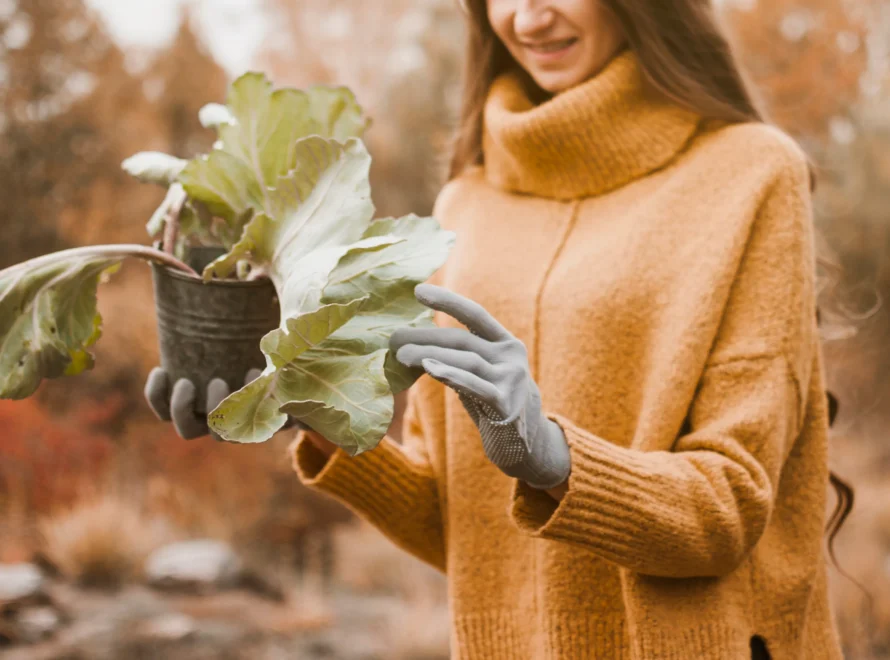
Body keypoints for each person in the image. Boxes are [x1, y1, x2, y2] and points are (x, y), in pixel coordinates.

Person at [146, 1, 852, 657]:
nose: (528, 16)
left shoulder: (752, 173)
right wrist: (313, 420)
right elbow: (462, 528)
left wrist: (554, 459)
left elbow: (731, 504)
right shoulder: (466, 201)